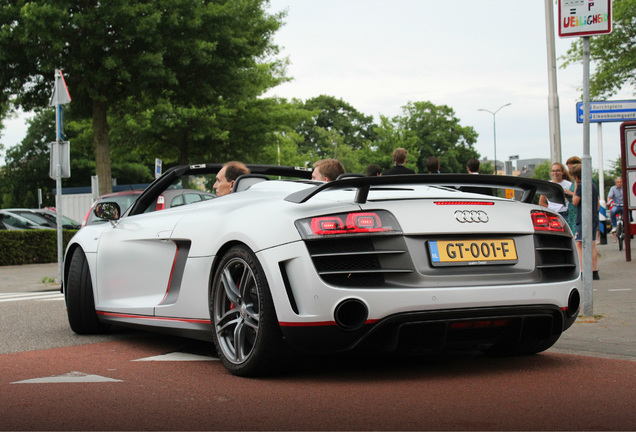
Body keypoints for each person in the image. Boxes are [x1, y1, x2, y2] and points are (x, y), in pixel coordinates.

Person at [570, 164, 600, 280]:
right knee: (592, 243)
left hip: (583, 218)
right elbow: (597, 204)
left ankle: (583, 270)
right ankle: (594, 270)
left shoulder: (581, 186)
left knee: (579, 243)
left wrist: (576, 187)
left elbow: (575, 202)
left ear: (576, 177)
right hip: (593, 217)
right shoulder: (593, 185)